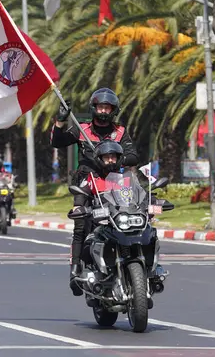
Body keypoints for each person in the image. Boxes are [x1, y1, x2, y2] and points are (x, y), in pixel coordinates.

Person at [50, 88, 139, 295]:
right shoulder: (82, 130)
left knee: (130, 216)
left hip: (114, 182)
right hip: (87, 182)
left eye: (107, 107)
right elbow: (57, 142)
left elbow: (133, 155)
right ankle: (75, 270)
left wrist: (118, 161)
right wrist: (61, 121)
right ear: (93, 108)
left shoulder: (120, 132)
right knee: (81, 223)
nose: (104, 111)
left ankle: (133, 263)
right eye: (100, 106)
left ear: (114, 110)